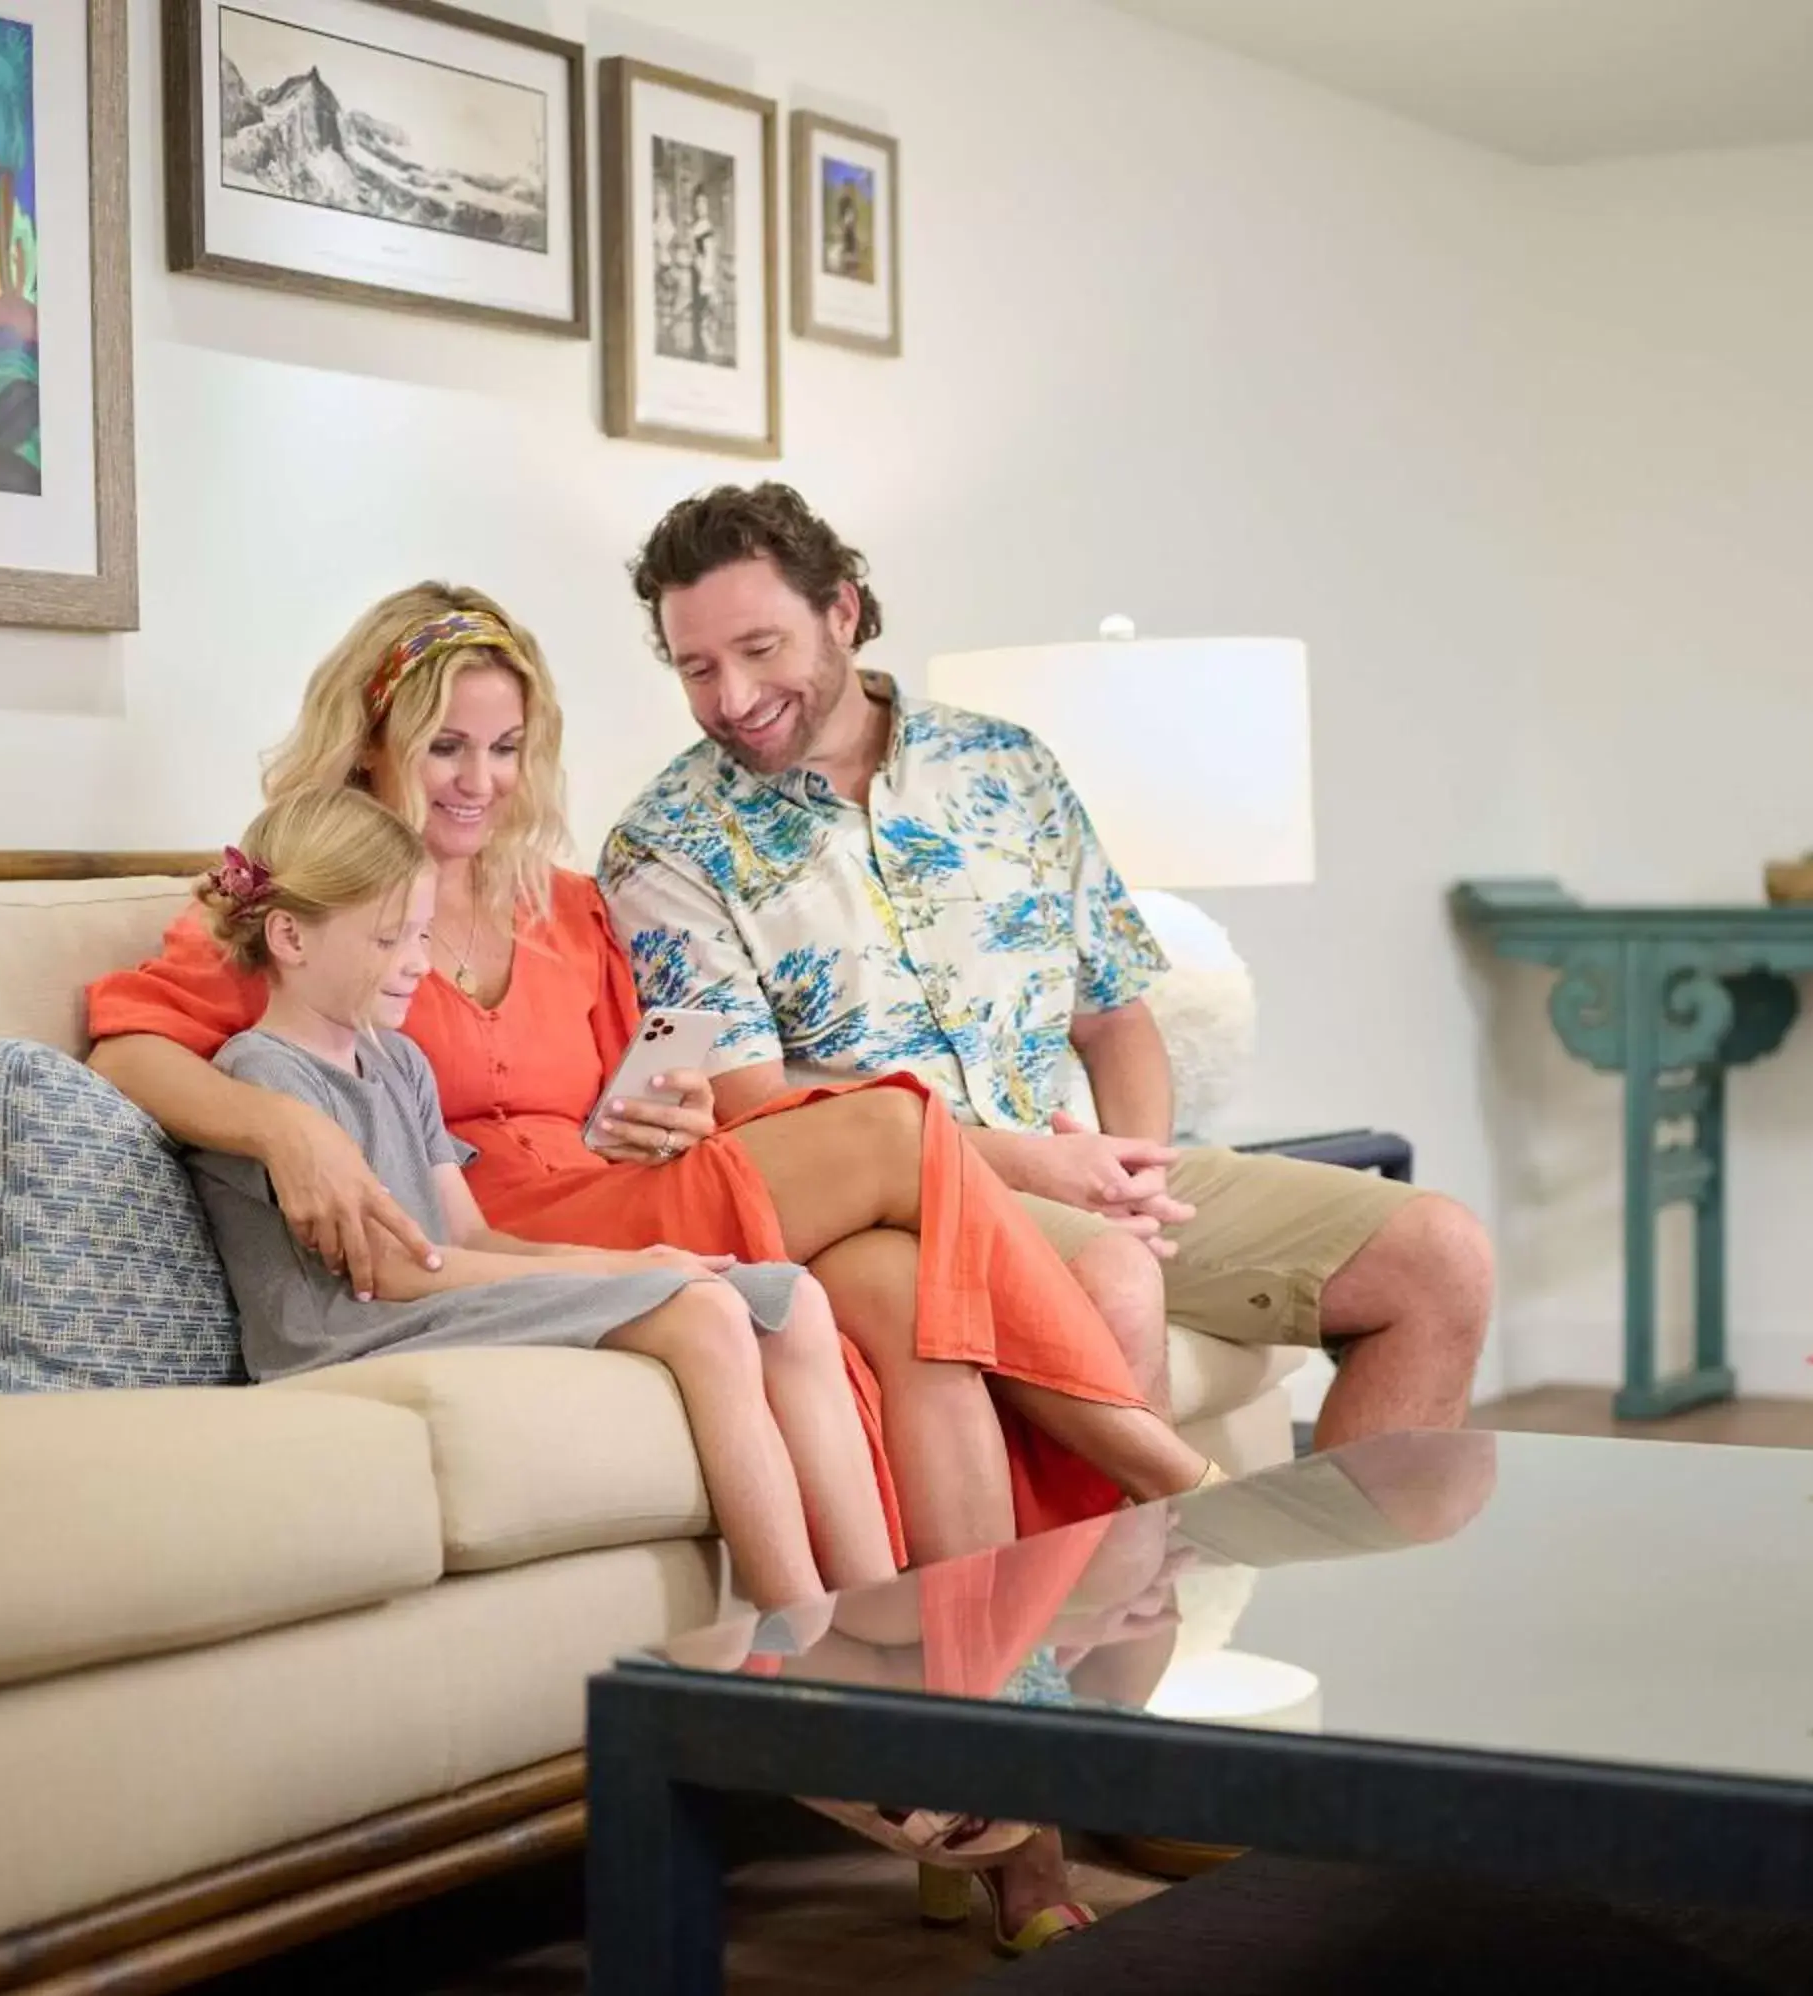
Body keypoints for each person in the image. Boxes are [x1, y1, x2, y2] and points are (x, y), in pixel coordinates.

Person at [85, 584, 1209, 1936]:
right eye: (447, 747)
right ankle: (1151, 1468)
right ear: (374, 740)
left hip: (611, 1189)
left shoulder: (564, 908)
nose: (479, 781)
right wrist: (281, 1130)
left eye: (505, 749)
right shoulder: (322, 896)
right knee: (896, 1130)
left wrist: (654, 1110)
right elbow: (129, 1044)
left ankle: (978, 1777)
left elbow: (640, 1085)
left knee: (905, 1298)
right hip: (517, 1233)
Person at [600, 484, 1497, 1450]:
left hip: (1077, 1174)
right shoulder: (669, 846)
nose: (731, 698)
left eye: (759, 649)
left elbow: (1114, 1017)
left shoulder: (1007, 766)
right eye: (697, 668)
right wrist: (1054, 1177)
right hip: (901, 1211)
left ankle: (1358, 1588)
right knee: (1115, 1277)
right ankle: (1135, 1599)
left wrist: (1138, 1174)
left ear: (842, 612)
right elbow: (757, 1113)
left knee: (1438, 1256)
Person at [181, 784, 891, 1615]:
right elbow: (390, 1274)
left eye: (420, 935)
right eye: (387, 939)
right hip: (348, 1329)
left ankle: (884, 1628)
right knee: (703, 1315)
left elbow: (472, 1233)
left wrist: (633, 1260)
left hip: (430, 1291)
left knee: (791, 1300)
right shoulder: (263, 1076)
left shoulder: (400, 1063)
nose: (416, 961)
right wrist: (617, 1281)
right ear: (290, 936)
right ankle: (802, 1648)